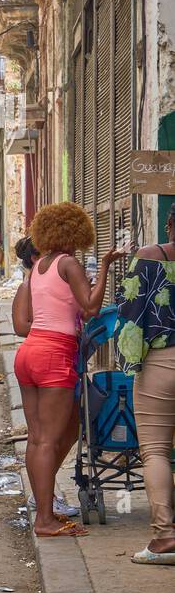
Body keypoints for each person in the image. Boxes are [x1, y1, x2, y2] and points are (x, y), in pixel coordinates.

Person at [14, 213, 122, 537]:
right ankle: (44, 519)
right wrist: (104, 267)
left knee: (36, 439)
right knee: (50, 439)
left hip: (29, 353)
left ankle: (44, 511)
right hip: (55, 353)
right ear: (73, 232)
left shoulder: (38, 267)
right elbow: (89, 308)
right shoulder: (69, 264)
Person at [115, 203, 175, 565]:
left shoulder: (150, 257)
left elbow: (129, 310)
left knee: (155, 451)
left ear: (170, 224)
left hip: (161, 364)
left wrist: (130, 361)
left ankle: (165, 538)